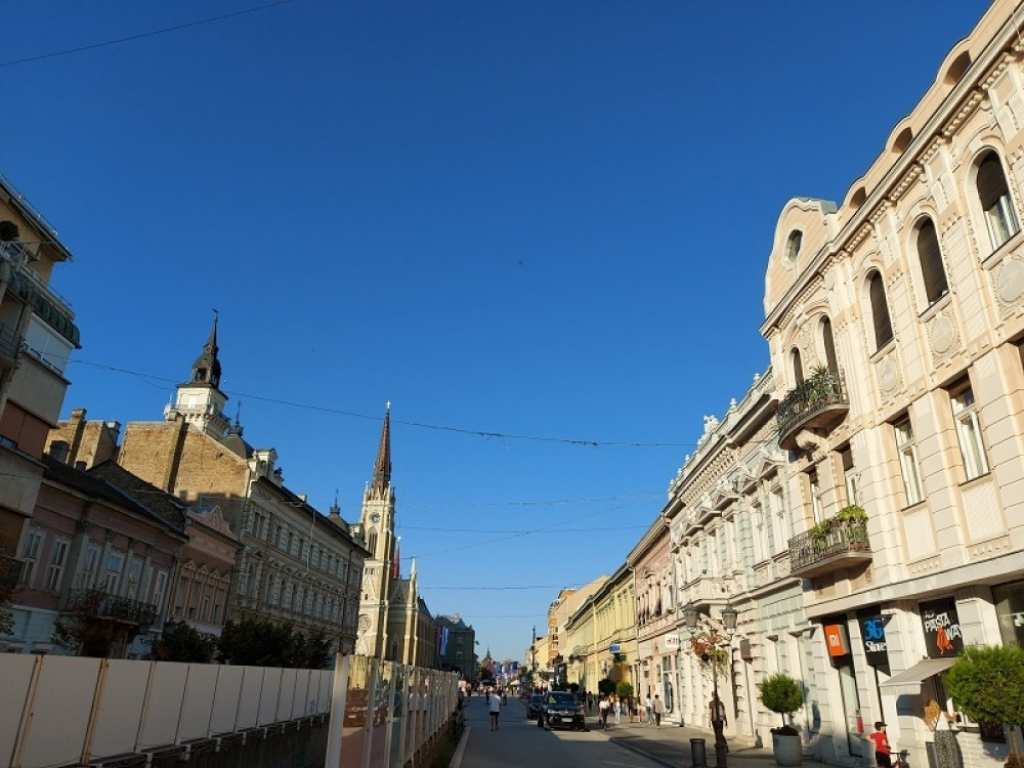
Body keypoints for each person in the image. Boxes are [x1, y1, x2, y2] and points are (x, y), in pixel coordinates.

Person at [926, 699, 963, 768]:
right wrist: (954, 714)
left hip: (937, 735)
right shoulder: (943, 713)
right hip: (947, 734)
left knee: (941, 756)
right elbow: (953, 719)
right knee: (952, 754)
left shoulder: (928, 717)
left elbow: (931, 729)